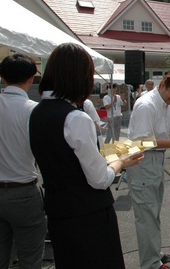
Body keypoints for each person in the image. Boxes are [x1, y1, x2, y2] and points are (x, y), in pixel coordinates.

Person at [28, 43, 143, 269]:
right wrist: (120, 161)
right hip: (88, 214)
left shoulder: (37, 112)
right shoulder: (75, 118)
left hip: (57, 210)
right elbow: (99, 179)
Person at [126, 70, 170, 269]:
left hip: (155, 160)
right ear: (163, 84)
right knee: (146, 215)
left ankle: (154, 253)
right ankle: (151, 264)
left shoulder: (166, 103)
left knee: (153, 212)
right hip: (142, 161)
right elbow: (142, 140)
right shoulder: (146, 104)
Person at [0, 54, 47, 269]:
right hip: (24, 190)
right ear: (31, 78)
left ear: (3, 78)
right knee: (30, 258)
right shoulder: (34, 110)